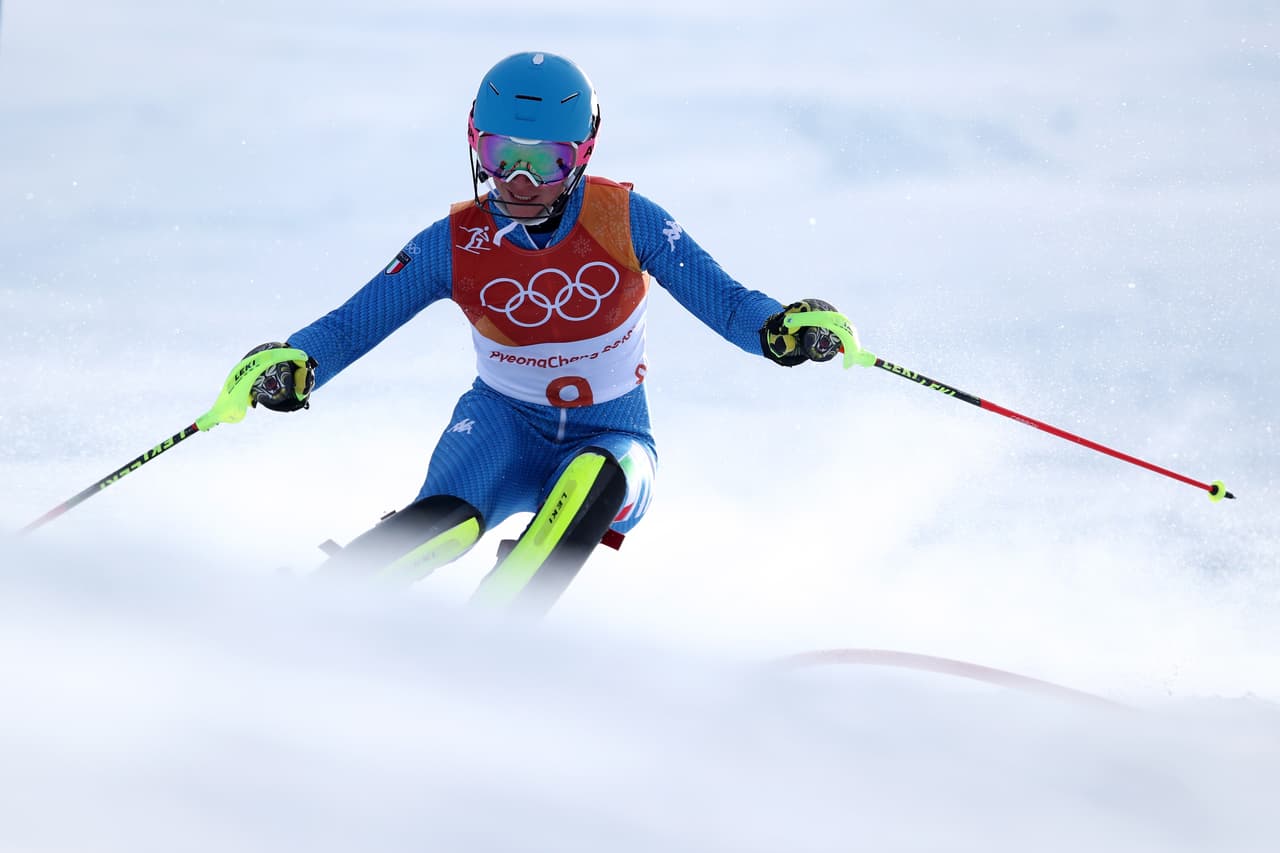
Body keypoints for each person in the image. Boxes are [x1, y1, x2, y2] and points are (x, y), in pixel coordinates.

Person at [239, 51, 856, 614]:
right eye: (501, 156)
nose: (520, 182)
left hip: (614, 435)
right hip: (500, 428)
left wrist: (783, 329)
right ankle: (309, 613)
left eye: (546, 162)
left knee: (594, 477)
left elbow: (729, 304)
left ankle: (496, 635)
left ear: (582, 155)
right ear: (475, 146)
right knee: (447, 522)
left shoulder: (626, 221)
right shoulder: (453, 244)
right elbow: (350, 327)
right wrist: (294, 363)